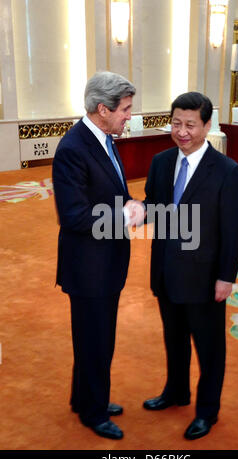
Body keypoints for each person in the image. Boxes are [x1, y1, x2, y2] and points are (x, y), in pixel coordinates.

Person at [143, 91, 238, 440]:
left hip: (205, 278)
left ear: (206, 126)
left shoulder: (227, 171)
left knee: (209, 348)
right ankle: (176, 392)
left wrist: (225, 278)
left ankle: (207, 411)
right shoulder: (160, 161)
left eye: (190, 124)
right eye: (176, 123)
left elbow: (234, 230)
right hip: (166, 271)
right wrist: (128, 211)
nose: (181, 131)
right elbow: (153, 206)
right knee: (173, 339)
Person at [52, 71, 144, 440]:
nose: (128, 116)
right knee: (95, 339)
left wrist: (130, 208)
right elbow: (73, 215)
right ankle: (93, 412)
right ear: (102, 109)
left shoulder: (105, 138)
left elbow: (110, 194)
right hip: (88, 267)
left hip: (106, 262)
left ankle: (83, 398)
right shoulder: (74, 148)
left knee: (97, 337)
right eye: (124, 110)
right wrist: (125, 214)